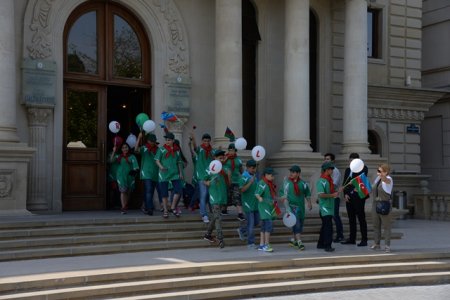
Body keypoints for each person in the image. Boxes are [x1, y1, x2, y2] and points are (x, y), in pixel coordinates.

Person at [280, 165, 312, 251]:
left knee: (300, 224)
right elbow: (282, 194)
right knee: (296, 223)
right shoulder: (286, 183)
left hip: (301, 207)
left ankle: (293, 240)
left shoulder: (303, 183)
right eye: (290, 172)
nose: (291, 173)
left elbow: (307, 193)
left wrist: (309, 202)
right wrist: (286, 205)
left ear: (298, 173)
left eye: (293, 172)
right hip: (291, 207)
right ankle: (299, 242)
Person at [341, 152, 369, 246]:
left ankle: (364, 239)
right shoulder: (348, 170)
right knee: (351, 218)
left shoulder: (363, 168)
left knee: (361, 218)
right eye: (350, 160)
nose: (351, 162)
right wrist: (345, 194)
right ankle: (352, 238)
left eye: (353, 160)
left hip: (359, 196)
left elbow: (360, 179)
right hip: (349, 197)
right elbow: (344, 183)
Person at [203, 150, 229, 249]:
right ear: (215, 158)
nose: (221, 160)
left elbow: (227, 181)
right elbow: (204, 180)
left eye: (222, 158)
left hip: (222, 195)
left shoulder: (224, 168)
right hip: (214, 196)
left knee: (215, 217)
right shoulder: (210, 168)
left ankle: (208, 234)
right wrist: (207, 182)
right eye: (219, 158)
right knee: (218, 218)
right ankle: (220, 239)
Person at [155, 132, 184, 219]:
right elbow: (157, 160)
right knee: (164, 194)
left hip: (174, 174)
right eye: (166, 140)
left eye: (169, 140)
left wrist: (180, 173)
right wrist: (161, 167)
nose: (167, 141)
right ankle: (165, 211)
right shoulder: (161, 149)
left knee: (178, 190)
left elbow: (179, 162)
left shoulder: (177, 150)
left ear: (173, 140)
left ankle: (172, 207)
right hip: (164, 174)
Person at [189, 132, 214, 223]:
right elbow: (195, 147)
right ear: (202, 141)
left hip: (210, 176)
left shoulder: (212, 151)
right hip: (201, 176)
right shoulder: (200, 149)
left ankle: (205, 209)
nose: (206, 142)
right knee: (203, 195)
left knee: (208, 195)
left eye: (208, 141)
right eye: (204, 141)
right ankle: (204, 214)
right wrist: (193, 139)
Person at [135, 132, 161, 215]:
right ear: (148, 141)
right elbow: (136, 150)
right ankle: (150, 209)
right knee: (149, 190)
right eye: (151, 141)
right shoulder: (144, 148)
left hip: (155, 173)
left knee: (150, 191)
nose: (152, 143)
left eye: (153, 141)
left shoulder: (158, 149)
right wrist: (139, 138)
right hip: (146, 172)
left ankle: (146, 206)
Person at [109, 142, 139, 214]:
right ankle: (123, 207)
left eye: (126, 147)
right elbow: (111, 160)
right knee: (123, 191)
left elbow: (136, 167)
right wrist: (113, 151)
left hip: (129, 176)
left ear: (128, 148)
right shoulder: (119, 156)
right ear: (121, 149)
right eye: (123, 148)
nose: (125, 149)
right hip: (120, 176)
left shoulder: (132, 156)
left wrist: (134, 171)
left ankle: (125, 205)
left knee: (128, 191)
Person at [316, 161, 339, 252]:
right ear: (326, 170)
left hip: (329, 207)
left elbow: (331, 192)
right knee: (328, 227)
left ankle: (320, 244)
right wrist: (332, 195)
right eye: (331, 169)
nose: (332, 171)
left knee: (325, 226)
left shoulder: (329, 180)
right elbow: (321, 195)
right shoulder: (321, 181)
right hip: (325, 208)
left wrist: (337, 191)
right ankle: (327, 245)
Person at [371, 163, 394, 253]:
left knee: (386, 226)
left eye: (380, 171)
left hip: (384, 203)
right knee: (376, 224)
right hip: (375, 203)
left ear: (386, 172)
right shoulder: (378, 179)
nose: (378, 172)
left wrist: (382, 175)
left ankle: (387, 245)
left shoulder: (389, 179)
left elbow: (386, 181)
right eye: (378, 170)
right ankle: (376, 243)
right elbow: (372, 188)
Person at [237, 159, 259, 249]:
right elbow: (241, 190)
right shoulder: (243, 177)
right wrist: (250, 182)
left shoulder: (254, 176)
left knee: (256, 222)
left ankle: (242, 230)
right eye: (252, 168)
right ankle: (250, 243)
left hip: (255, 204)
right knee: (251, 223)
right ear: (248, 168)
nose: (254, 170)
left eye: (255, 168)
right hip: (247, 204)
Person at [255, 167, 278, 253]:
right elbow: (257, 193)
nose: (273, 177)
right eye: (272, 176)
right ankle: (266, 244)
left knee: (264, 227)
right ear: (266, 175)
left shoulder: (269, 183)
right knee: (268, 225)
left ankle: (262, 244)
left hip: (269, 207)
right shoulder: (262, 183)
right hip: (264, 207)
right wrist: (259, 197)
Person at [324, 153, 344, 242]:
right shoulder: (326, 171)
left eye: (328, 159)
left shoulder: (335, 171)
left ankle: (340, 235)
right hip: (329, 197)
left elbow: (334, 184)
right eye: (325, 159)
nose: (325, 160)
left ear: (332, 161)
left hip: (335, 197)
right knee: (330, 216)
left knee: (335, 216)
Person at [223, 143, 245, 220]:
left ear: (235, 151)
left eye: (232, 150)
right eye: (229, 150)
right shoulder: (225, 159)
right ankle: (224, 210)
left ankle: (240, 214)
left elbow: (241, 170)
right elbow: (221, 167)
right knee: (227, 196)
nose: (231, 152)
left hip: (236, 181)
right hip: (227, 181)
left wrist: (245, 177)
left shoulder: (238, 160)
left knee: (237, 196)